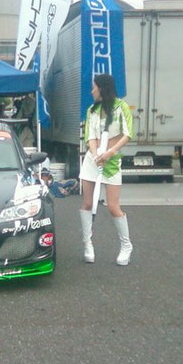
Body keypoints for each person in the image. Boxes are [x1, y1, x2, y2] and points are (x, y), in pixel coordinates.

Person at [79, 73, 134, 265]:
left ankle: (126, 246)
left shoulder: (121, 107)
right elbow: (90, 137)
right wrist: (96, 156)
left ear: (102, 88)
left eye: (94, 87)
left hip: (112, 161)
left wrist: (109, 153)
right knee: (87, 204)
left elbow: (128, 134)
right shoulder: (92, 110)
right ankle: (88, 244)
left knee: (112, 206)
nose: (91, 90)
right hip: (92, 161)